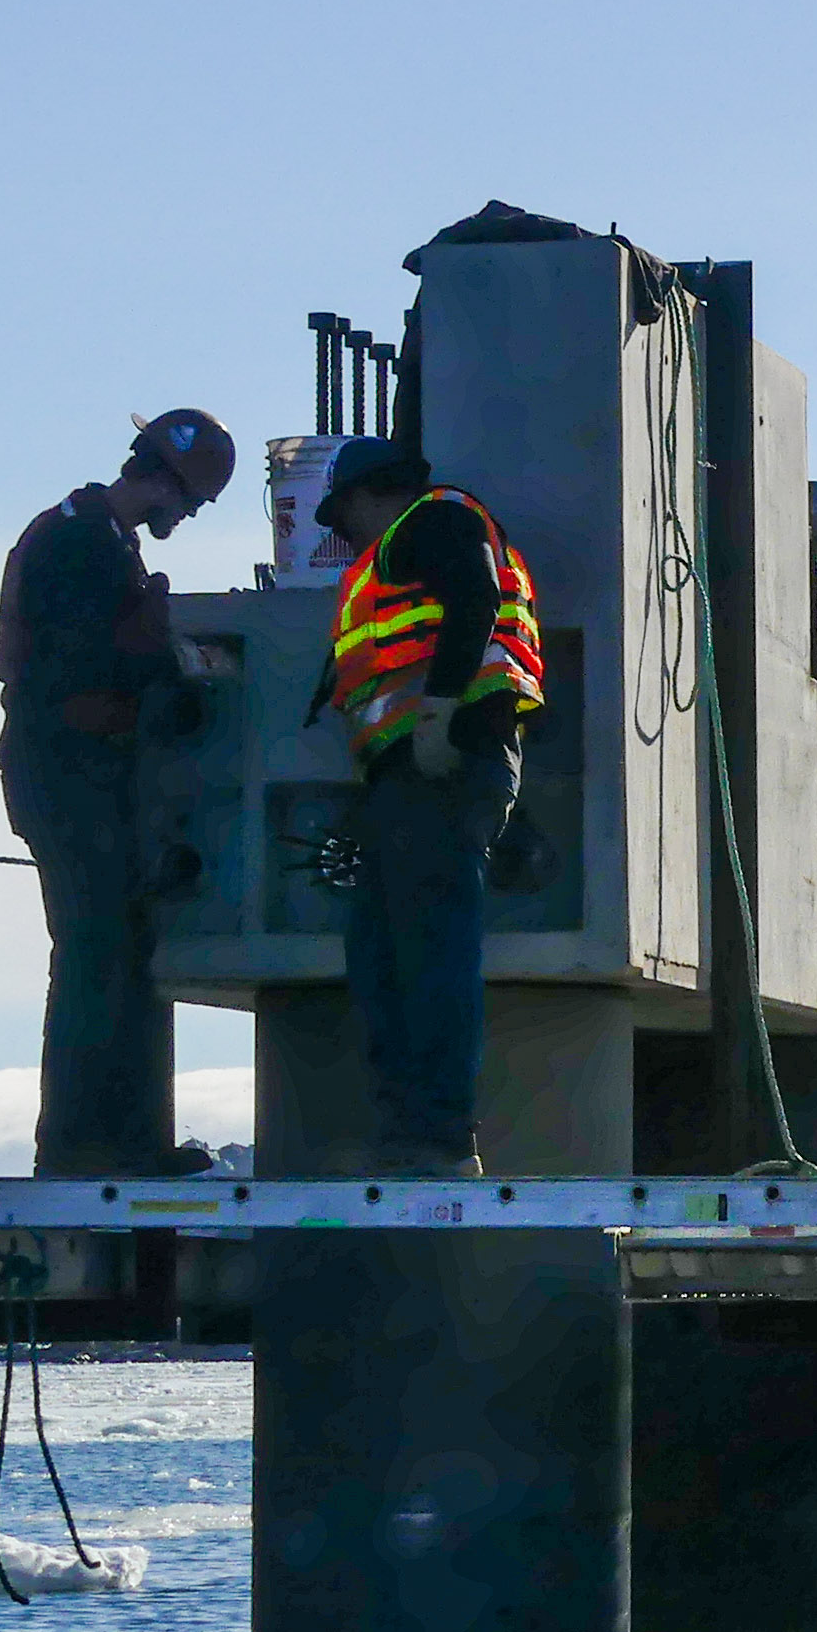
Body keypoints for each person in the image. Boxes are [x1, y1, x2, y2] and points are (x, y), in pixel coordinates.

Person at [0, 408, 236, 1177]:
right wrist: (172, 664)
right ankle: (87, 1145)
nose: (187, 517)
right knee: (99, 949)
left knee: (113, 946)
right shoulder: (80, 545)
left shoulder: (93, 538)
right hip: (66, 768)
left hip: (73, 767)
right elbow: (73, 666)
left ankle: (108, 1140)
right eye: (191, 503)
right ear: (166, 484)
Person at [316, 434, 545, 1167]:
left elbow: (474, 598)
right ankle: (410, 1128)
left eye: (340, 514)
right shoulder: (399, 547)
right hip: (411, 774)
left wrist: (441, 712)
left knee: (426, 948)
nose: (339, 533)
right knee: (385, 952)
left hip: (446, 764)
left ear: (367, 495)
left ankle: (438, 1134)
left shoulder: (435, 519)